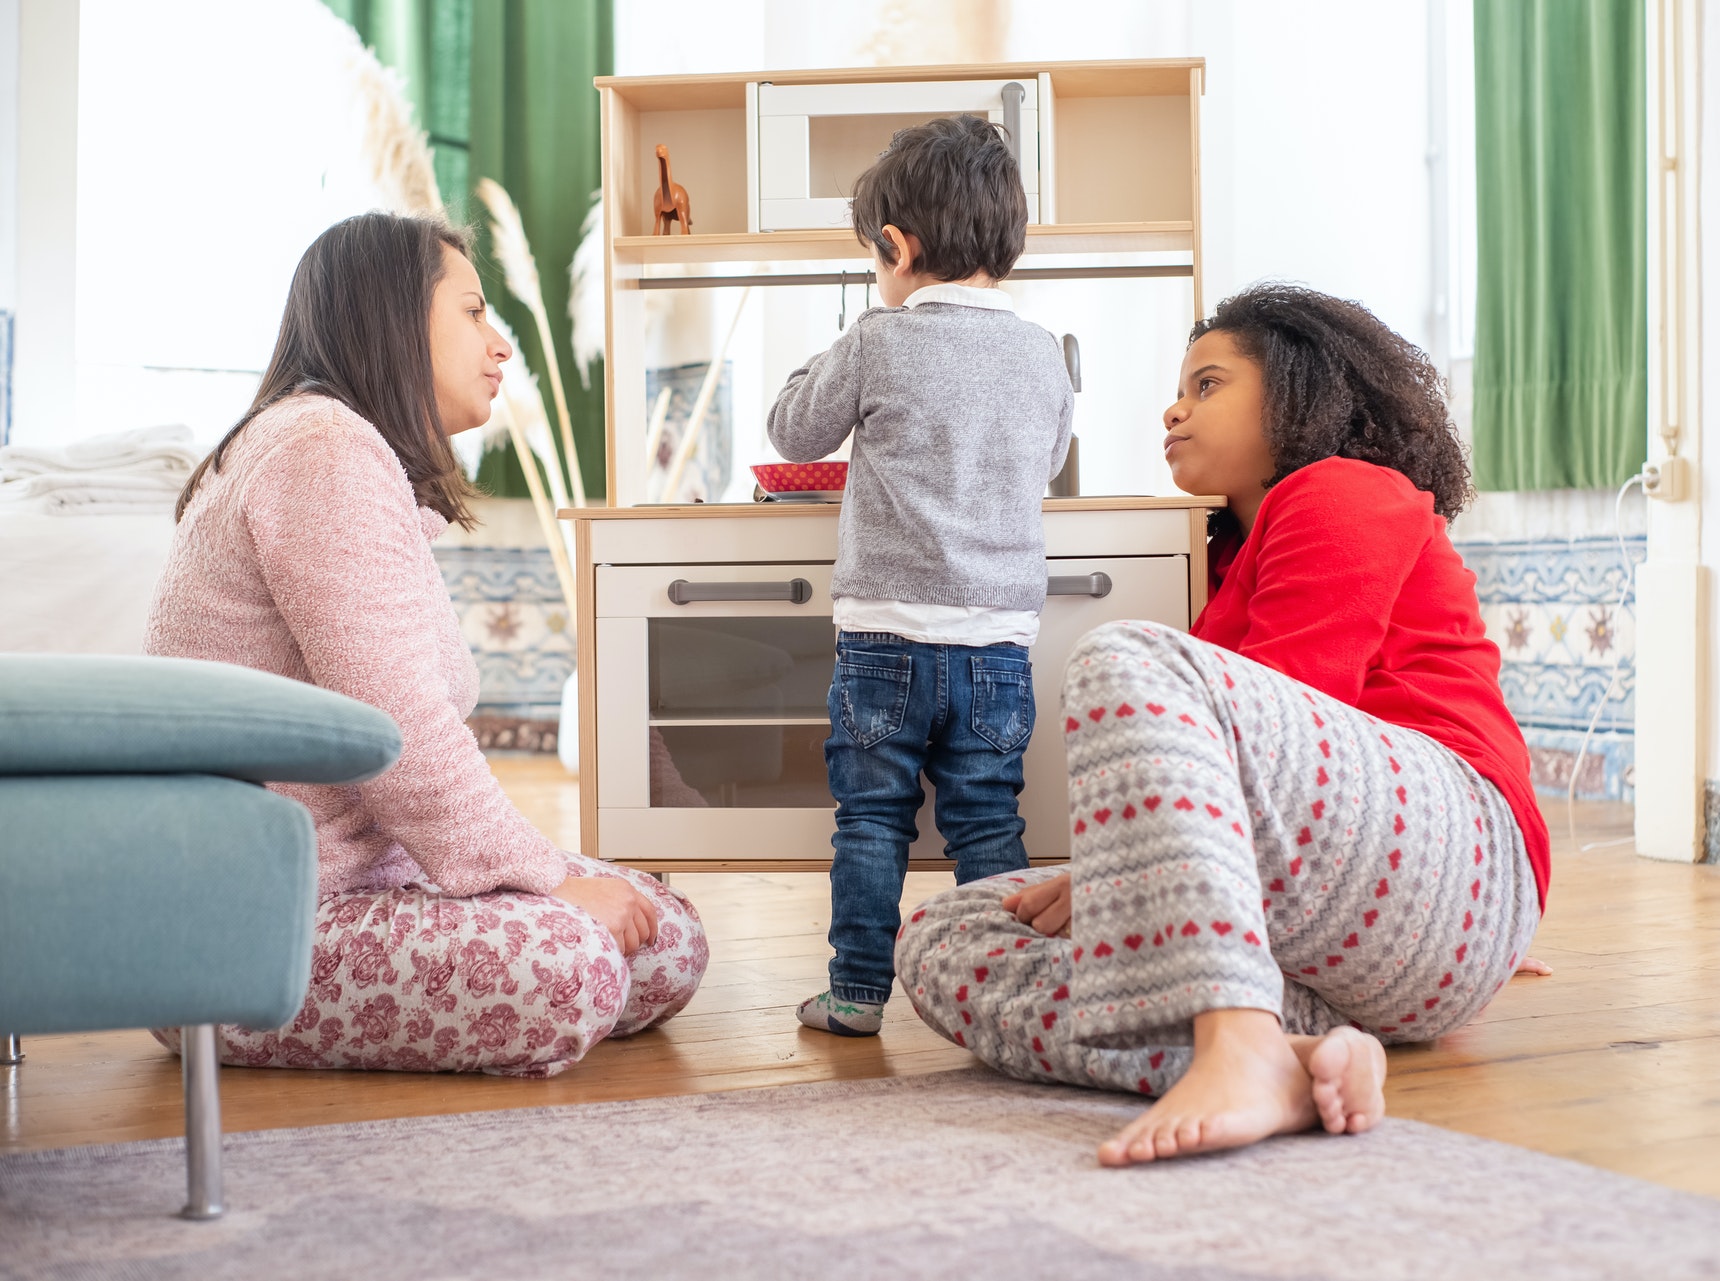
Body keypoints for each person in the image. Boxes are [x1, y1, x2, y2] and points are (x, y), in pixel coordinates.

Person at [896, 283, 1552, 1163]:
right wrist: (1124, 878)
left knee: (1123, 653)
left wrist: (1113, 875)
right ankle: (1285, 1051)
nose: (1174, 407)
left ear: (1298, 392)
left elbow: (1288, 712)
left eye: (1208, 385)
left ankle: (1239, 1042)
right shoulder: (1226, 557)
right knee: (946, 932)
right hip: (1345, 946)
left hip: (1457, 854)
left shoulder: (1344, 491)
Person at [147, 212, 707, 1077]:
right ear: (396, 319)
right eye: (475, 313)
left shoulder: (342, 449)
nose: (501, 346)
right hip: (245, 925)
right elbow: (395, 721)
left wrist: (548, 878)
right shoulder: (320, 446)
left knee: (666, 937)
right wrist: (550, 883)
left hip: (359, 883)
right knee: (582, 964)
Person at [768, 114, 1075, 1036]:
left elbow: (793, 432)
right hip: (995, 648)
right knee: (988, 823)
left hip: (884, 641)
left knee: (871, 822)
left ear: (897, 246)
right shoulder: (1044, 353)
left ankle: (858, 993)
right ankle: (997, 997)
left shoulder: (876, 338)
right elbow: (1052, 456)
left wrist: (822, 359)